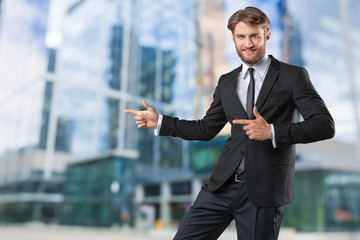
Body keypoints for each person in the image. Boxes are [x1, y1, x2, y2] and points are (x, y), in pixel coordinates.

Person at [125, 6, 335, 240]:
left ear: (267, 35)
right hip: (221, 186)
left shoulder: (293, 76)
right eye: (241, 37)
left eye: (255, 35)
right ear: (233, 39)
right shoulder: (226, 82)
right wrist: (162, 122)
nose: (248, 44)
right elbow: (206, 129)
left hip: (264, 191)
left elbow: (324, 124)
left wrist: (272, 131)